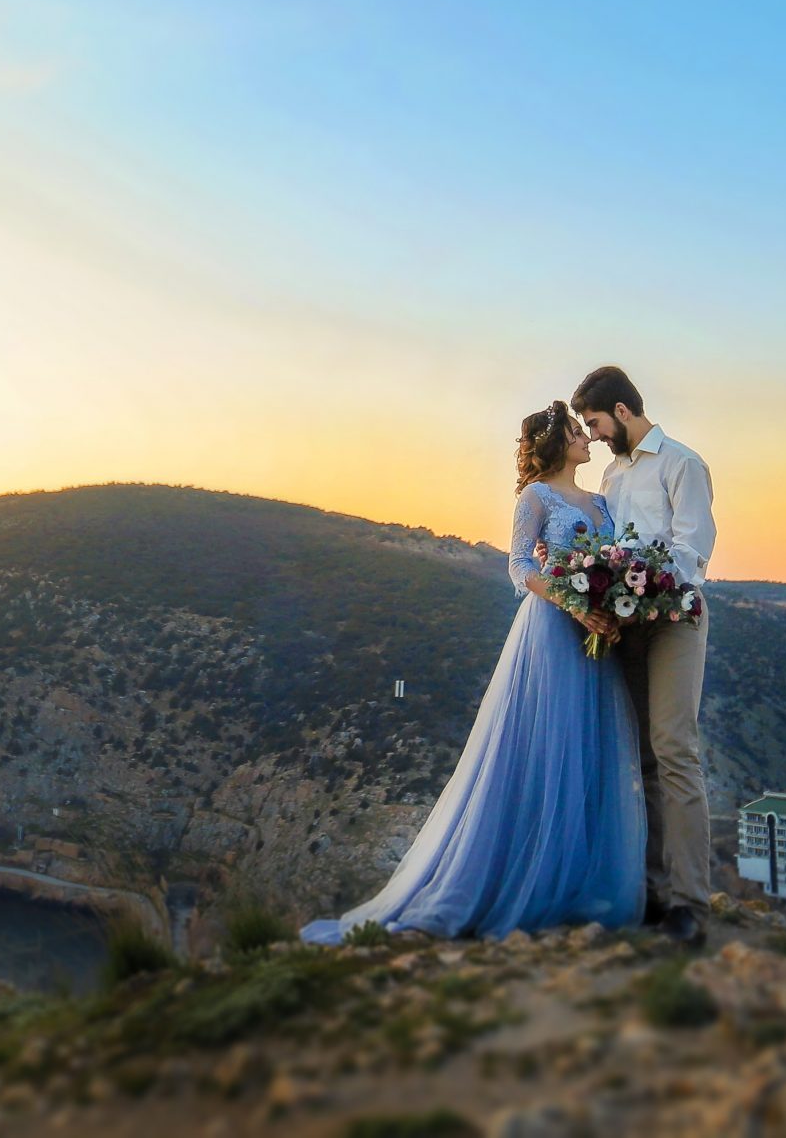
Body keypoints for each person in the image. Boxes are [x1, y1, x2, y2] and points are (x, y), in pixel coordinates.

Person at [300, 404, 644, 944]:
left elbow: (609, 561)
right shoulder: (536, 497)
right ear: (555, 443)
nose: (587, 441)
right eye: (578, 433)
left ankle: (574, 882)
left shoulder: (600, 501)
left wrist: (611, 605)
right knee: (542, 747)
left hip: (593, 635)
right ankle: (516, 882)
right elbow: (519, 565)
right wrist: (573, 604)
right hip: (552, 630)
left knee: (585, 748)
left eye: (585, 431)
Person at [571, 364, 717, 946]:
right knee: (644, 760)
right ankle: (654, 892)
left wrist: (646, 589)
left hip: (677, 620)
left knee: (675, 750)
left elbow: (693, 549)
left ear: (623, 412)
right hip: (627, 628)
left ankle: (690, 903)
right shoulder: (610, 475)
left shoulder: (682, 463)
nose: (595, 432)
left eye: (596, 421)